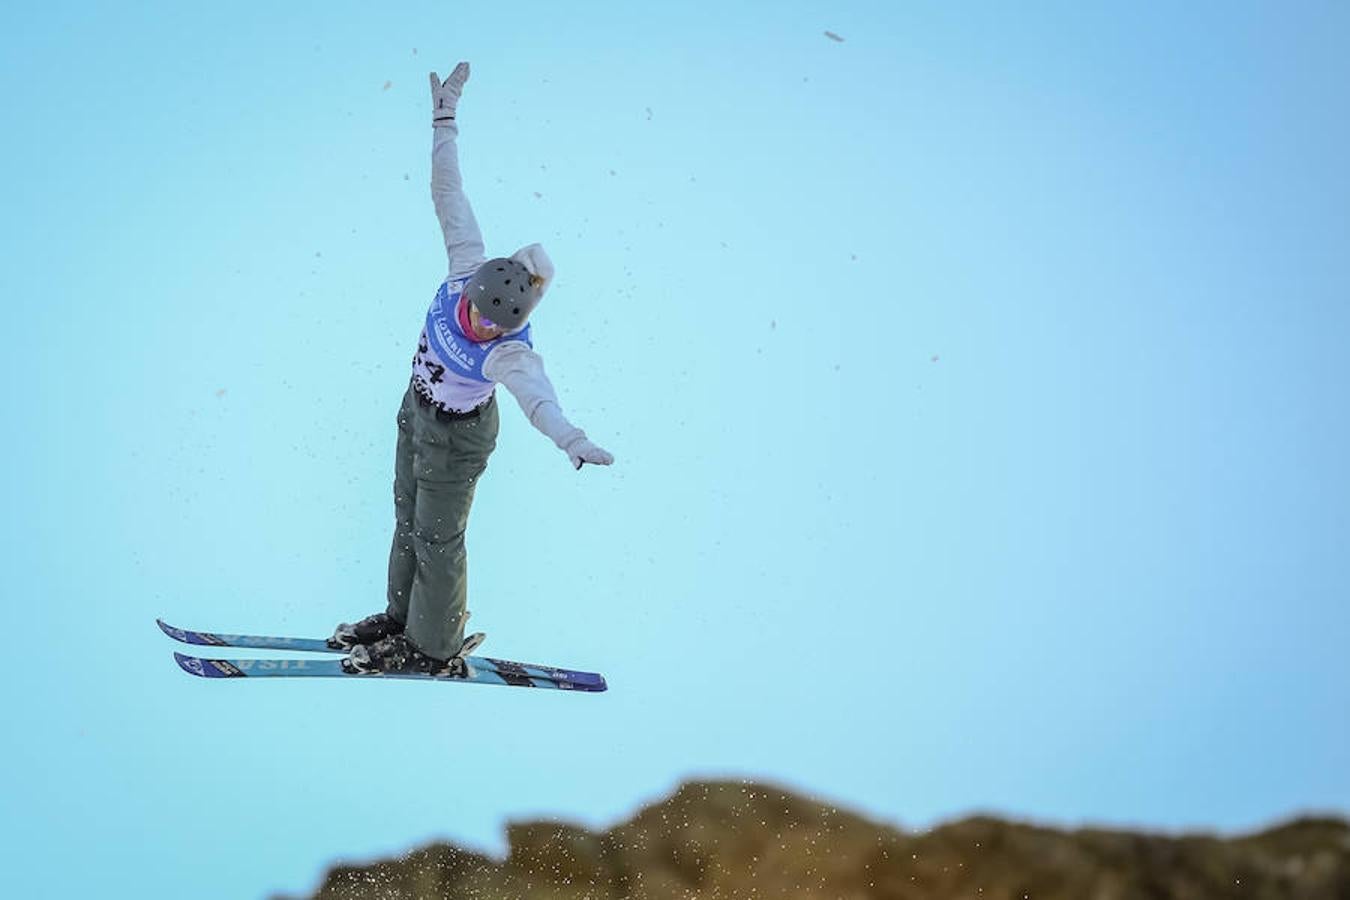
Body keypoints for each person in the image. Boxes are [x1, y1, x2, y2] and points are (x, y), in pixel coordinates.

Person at [332, 61, 614, 676]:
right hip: (415, 412)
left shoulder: (509, 350)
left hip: (459, 439)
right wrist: (445, 119)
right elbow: (448, 193)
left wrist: (572, 438)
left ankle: (431, 644)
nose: (486, 328)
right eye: (483, 316)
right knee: (407, 516)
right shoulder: (466, 264)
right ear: (477, 291)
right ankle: (402, 616)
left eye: (499, 324)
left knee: (439, 536)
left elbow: (538, 399)